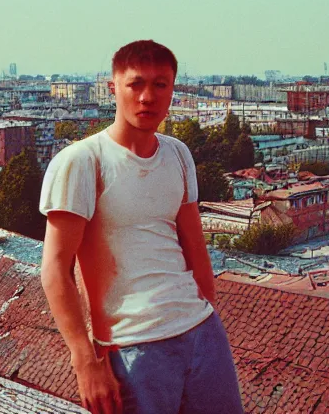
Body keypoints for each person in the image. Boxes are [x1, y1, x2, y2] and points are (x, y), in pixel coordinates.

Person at [40, 40, 243, 414]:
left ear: (173, 91)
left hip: (201, 334)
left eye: (160, 84)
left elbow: (194, 245)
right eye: (136, 84)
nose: (148, 97)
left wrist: (207, 314)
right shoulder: (82, 161)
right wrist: (85, 361)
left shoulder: (178, 154)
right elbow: (54, 269)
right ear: (112, 87)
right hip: (132, 347)